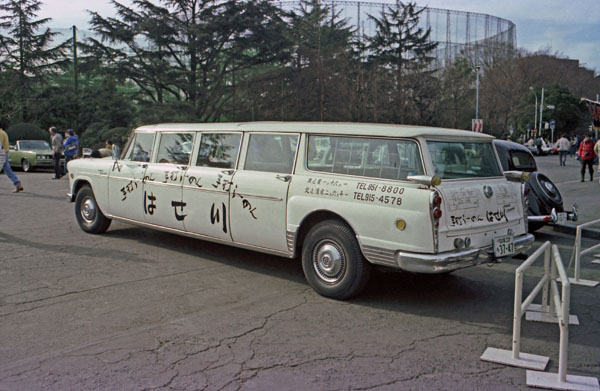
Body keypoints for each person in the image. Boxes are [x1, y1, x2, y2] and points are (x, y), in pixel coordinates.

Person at [0, 119, 24, 192]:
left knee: (8, 170)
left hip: (1, 154)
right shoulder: (3, 132)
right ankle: (17, 183)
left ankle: (17, 183)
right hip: (5, 153)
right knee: (8, 170)